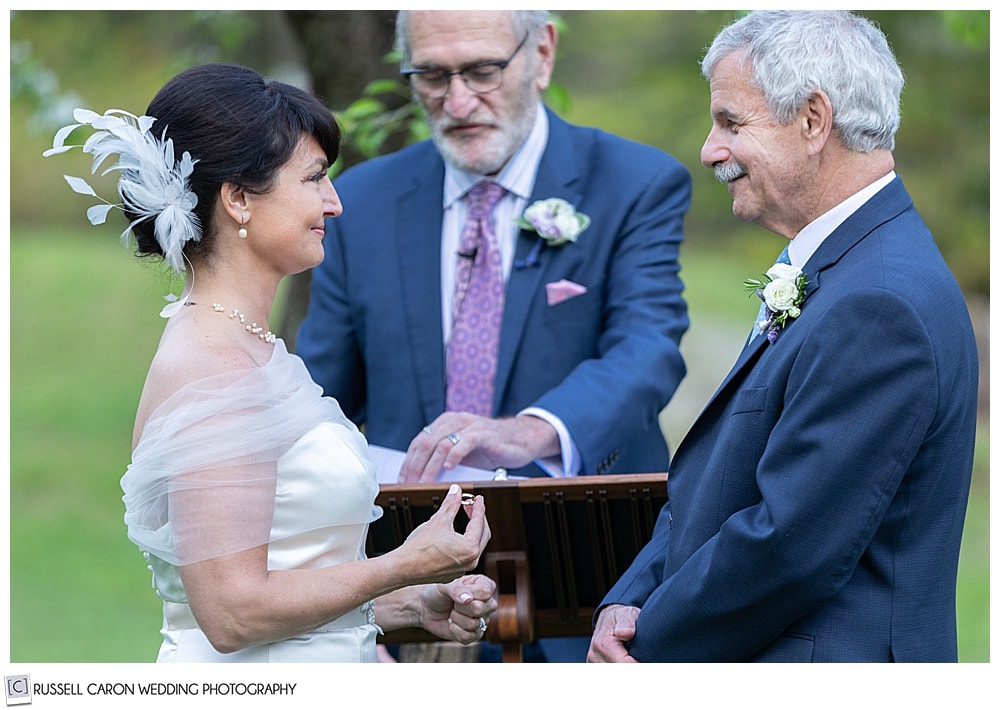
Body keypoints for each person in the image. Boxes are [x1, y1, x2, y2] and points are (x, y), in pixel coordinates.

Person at [45, 62, 496, 663]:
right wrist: (402, 566)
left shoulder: (255, 349)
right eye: (314, 179)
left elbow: (284, 572)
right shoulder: (214, 366)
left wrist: (410, 605)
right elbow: (232, 612)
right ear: (237, 199)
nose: (334, 203)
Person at [588, 10, 978, 663]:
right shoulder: (836, 267)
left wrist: (643, 650)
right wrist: (629, 598)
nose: (710, 150)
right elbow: (718, 480)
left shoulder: (880, 301)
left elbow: (789, 545)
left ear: (813, 120)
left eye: (731, 123)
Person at [297, 10, 691, 486]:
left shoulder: (634, 183)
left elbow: (646, 348)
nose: (458, 104)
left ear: (542, 54)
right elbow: (322, 394)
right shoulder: (359, 200)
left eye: (483, 71)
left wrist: (531, 432)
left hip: (589, 523)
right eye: (432, 76)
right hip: (408, 535)